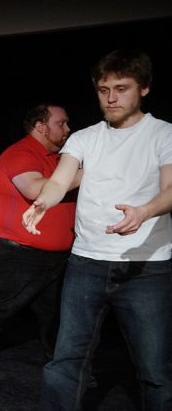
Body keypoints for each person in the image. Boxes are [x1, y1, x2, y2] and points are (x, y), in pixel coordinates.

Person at [22, 50, 172, 410]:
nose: (111, 97)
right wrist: (44, 201)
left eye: (121, 88)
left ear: (144, 89)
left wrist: (145, 211)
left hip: (146, 267)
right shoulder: (85, 138)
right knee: (65, 364)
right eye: (104, 89)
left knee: (154, 369)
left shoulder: (163, 134)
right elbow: (59, 181)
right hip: (86, 263)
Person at [0, 104, 79, 370]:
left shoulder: (59, 159)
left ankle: (60, 360)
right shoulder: (21, 153)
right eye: (62, 123)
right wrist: (89, 174)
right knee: (4, 301)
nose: (68, 129)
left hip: (55, 254)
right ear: (41, 127)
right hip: (19, 251)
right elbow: (35, 189)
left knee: (55, 311)